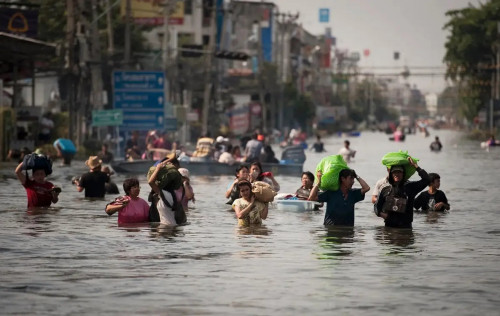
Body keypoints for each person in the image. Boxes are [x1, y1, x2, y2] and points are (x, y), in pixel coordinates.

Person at [374, 157, 430, 228]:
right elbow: (376, 207)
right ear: (391, 174)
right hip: (389, 228)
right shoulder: (385, 188)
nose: (397, 174)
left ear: (403, 174)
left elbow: (427, 180)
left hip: (406, 228)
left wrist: (415, 166)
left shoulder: (411, 187)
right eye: (394, 172)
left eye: (399, 172)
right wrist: (384, 215)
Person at [148, 158, 178, 226]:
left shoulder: (163, 193)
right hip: (173, 225)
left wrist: (158, 168)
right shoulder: (173, 193)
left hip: (165, 227)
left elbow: (150, 182)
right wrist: (171, 159)